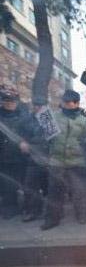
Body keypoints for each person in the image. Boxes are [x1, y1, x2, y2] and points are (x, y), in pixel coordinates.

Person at [41, 90, 86, 230]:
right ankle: (52, 219)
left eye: (72, 102)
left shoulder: (83, 121)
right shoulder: (52, 117)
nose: (68, 104)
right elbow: (44, 138)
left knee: (79, 191)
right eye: (66, 102)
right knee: (54, 191)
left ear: (77, 103)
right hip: (56, 161)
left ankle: (81, 214)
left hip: (77, 161)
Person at [0, 87, 29, 219]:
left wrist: (24, 142)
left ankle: (23, 207)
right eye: (6, 101)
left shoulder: (23, 116)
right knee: (6, 183)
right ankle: (9, 208)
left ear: (16, 102)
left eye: (11, 101)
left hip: (19, 156)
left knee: (20, 182)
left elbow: (29, 133)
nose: (9, 103)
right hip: (3, 156)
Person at [20, 98, 49, 222]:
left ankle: (50, 212)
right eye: (36, 105)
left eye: (41, 105)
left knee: (50, 187)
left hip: (49, 158)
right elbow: (20, 135)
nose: (38, 107)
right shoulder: (27, 120)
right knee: (30, 186)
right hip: (32, 158)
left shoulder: (49, 119)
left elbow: (57, 139)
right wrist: (22, 142)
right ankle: (32, 211)